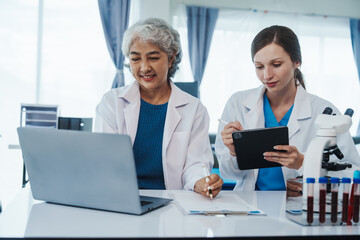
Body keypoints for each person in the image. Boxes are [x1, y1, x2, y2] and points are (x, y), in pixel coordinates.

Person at [215, 25, 360, 191]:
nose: (266, 75)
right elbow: (228, 173)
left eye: (276, 64)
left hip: (300, 208)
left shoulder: (324, 110)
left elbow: (353, 173)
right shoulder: (238, 103)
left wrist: (303, 164)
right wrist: (235, 153)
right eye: (259, 67)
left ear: (296, 61)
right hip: (250, 204)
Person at [95, 18, 223, 197]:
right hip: (123, 198)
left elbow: (195, 164)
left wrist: (200, 182)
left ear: (171, 59)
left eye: (153, 58)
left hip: (172, 201)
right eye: (135, 59)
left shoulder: (194, 110)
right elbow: (104, 161)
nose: (144, 67)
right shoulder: (112, 102)